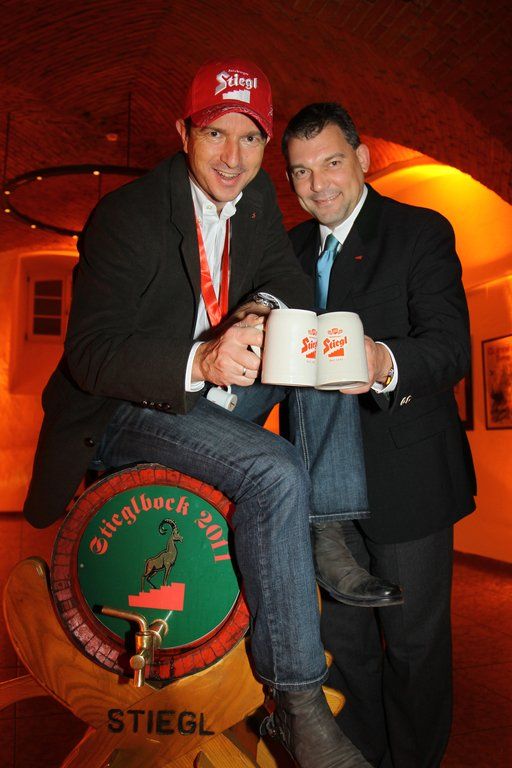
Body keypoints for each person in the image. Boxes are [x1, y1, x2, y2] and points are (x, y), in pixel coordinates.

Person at [23, 63, 373, 768]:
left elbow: (286, 280)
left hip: (214, 388)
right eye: (215, 133)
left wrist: (259, 312)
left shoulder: (255, 202)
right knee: (273, 470)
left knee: (311, 342)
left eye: (250, 138)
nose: (232, 158)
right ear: (184, 133)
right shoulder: (126, 215)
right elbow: (91, 354)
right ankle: (297, 706)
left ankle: (326, 523)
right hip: (126, 407)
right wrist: (204, 360)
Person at [282, 102, 477, 768]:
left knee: (414, 647)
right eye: (301, 172)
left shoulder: (419, 231)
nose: (318, 185)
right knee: (346, 647)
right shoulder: (289, 249)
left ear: (362, 159)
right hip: (319, 492)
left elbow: (450, 348)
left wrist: (382, 361)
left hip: (407, 478)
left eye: (332, 162)